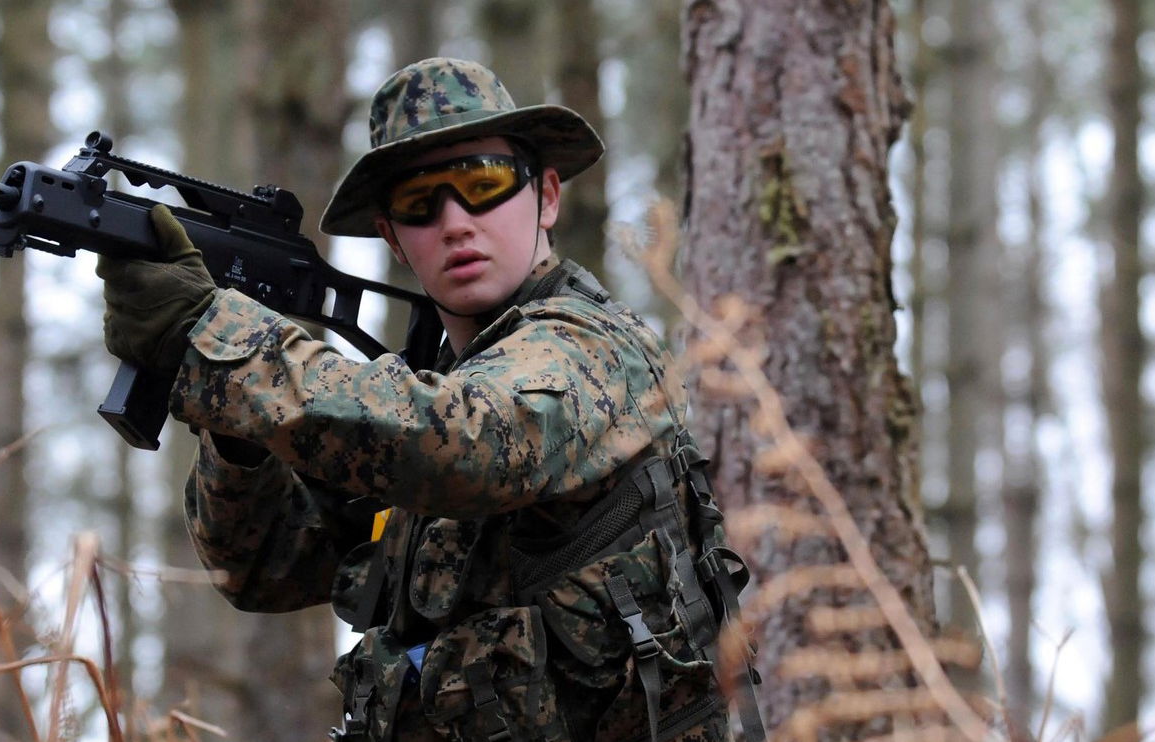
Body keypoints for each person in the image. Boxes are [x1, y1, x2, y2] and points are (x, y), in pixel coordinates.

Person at [98, 57, 761, 742]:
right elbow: (266, 565)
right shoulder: (422, 395)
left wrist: (225, 341)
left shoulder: (594, 347)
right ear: (392, 237)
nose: (455, 221)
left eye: (484, 182)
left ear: (548, 197)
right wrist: (238, 426)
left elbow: (470, 444)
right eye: (420, 203)